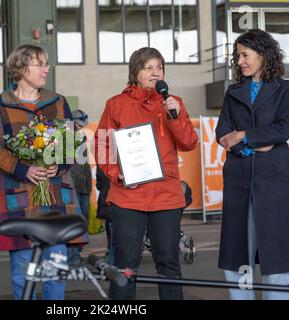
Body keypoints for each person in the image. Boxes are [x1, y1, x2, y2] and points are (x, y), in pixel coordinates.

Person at [0, 44, 87, 300]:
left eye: (46, 63)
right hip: (19, 197)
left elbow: (72, 144)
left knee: (55, 273)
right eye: (39, 63)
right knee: (23, 276)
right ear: (20, 68)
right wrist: (22, 169)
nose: (46, 69)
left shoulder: (58, 101)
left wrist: (59, 164)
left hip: (55, 197)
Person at [95, 47, 198, 300]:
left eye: (159, 67)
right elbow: (102, 145)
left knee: (168, 264)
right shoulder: (116, 104)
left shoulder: (174, 103)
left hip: (167, 196)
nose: (156, 73)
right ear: (136, 72)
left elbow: (189, 142)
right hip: (128, 195)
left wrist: (173, 115)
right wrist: (117, 173)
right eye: (149, 68)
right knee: (125, 265)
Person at [216, 29, 289, 300]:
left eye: (245, 54)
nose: (240, 61)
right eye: (237, 55)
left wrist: (243, 135)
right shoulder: (233, 92)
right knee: (237, 253)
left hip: (273, 180)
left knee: (277, 254)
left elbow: (281, 130)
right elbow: (222, 132)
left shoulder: (287, 88)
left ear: (263, 55)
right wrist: (251, 144)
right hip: (239, 178)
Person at [68, 109, 92, 265]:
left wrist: (88, 185)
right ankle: (72, 256)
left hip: (83, 186)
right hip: (74, 188)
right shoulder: (67, 138)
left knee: (82, 220)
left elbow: (84, 165)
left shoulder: (80, 136)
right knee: (75, 222)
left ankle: (76, 253)